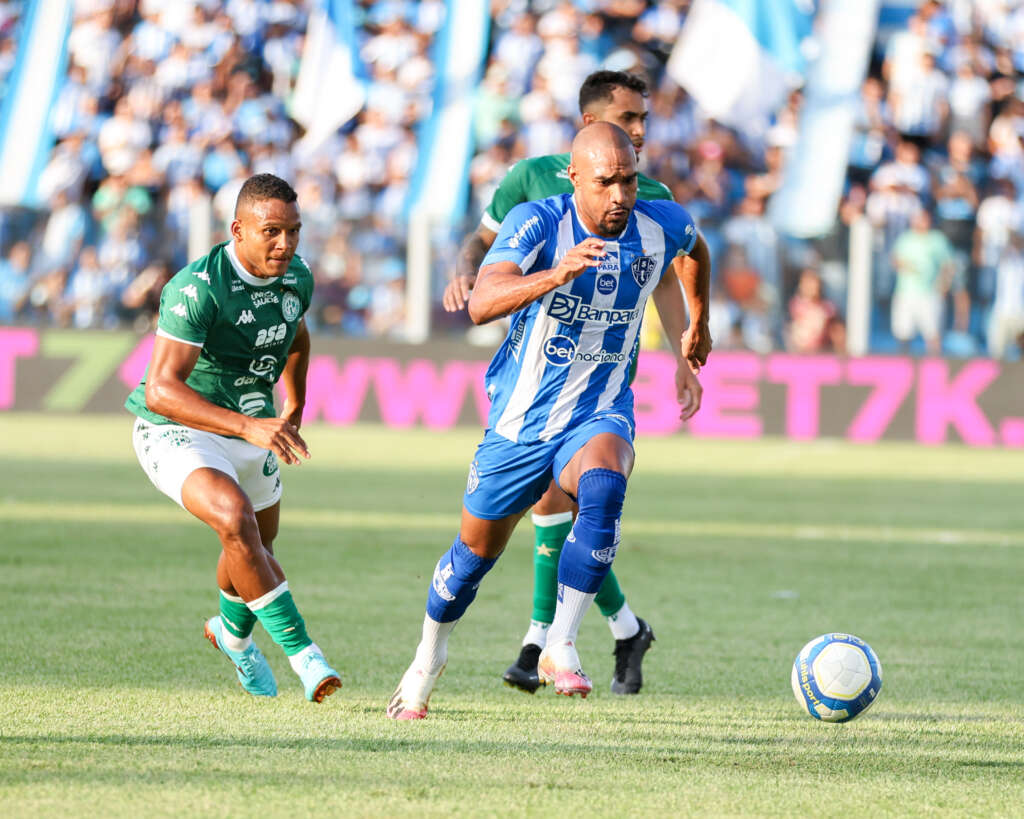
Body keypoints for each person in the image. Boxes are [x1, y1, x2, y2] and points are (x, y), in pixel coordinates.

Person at [387, 122, 711, 720]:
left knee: (606, 485)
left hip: (600, 406)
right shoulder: (537, 220)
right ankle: (427, 658)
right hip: (521, 420)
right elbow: (481, 304)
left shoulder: (659, 221)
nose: (620, 195)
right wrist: (557, 274)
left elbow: (695, 251)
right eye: (606, 182)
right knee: (471, 560)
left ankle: (560, 640)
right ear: (576, 177)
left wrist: (699, 326)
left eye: (629, 180)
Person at [124, 173, 341, 702]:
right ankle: (305, 657)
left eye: (293, 231)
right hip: (179, 428)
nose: (284, 244)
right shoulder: (197, 288)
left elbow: (298, 334)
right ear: (237, 230)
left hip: (253, 427)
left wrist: (295, 403)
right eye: (271, 231)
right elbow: (160, 390)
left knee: (254, 548)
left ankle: (231, 636)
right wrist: (251, 425)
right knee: (233, 518)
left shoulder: (298, 278)